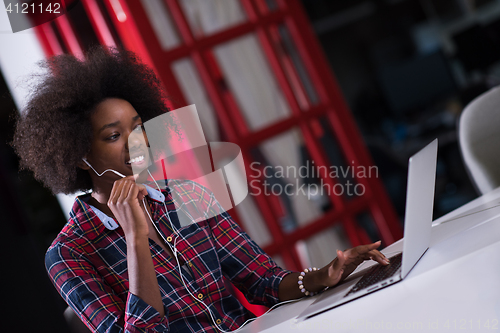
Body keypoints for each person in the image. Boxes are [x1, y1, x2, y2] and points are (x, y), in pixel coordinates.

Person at [11, 46, 389, 332]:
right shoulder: (68, 253)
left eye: (139, 127)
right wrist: (135, 238)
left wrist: (326, 274)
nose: (136, 142)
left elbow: (263, 282)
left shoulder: (187, 196)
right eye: (113, 135)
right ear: (77, 155)